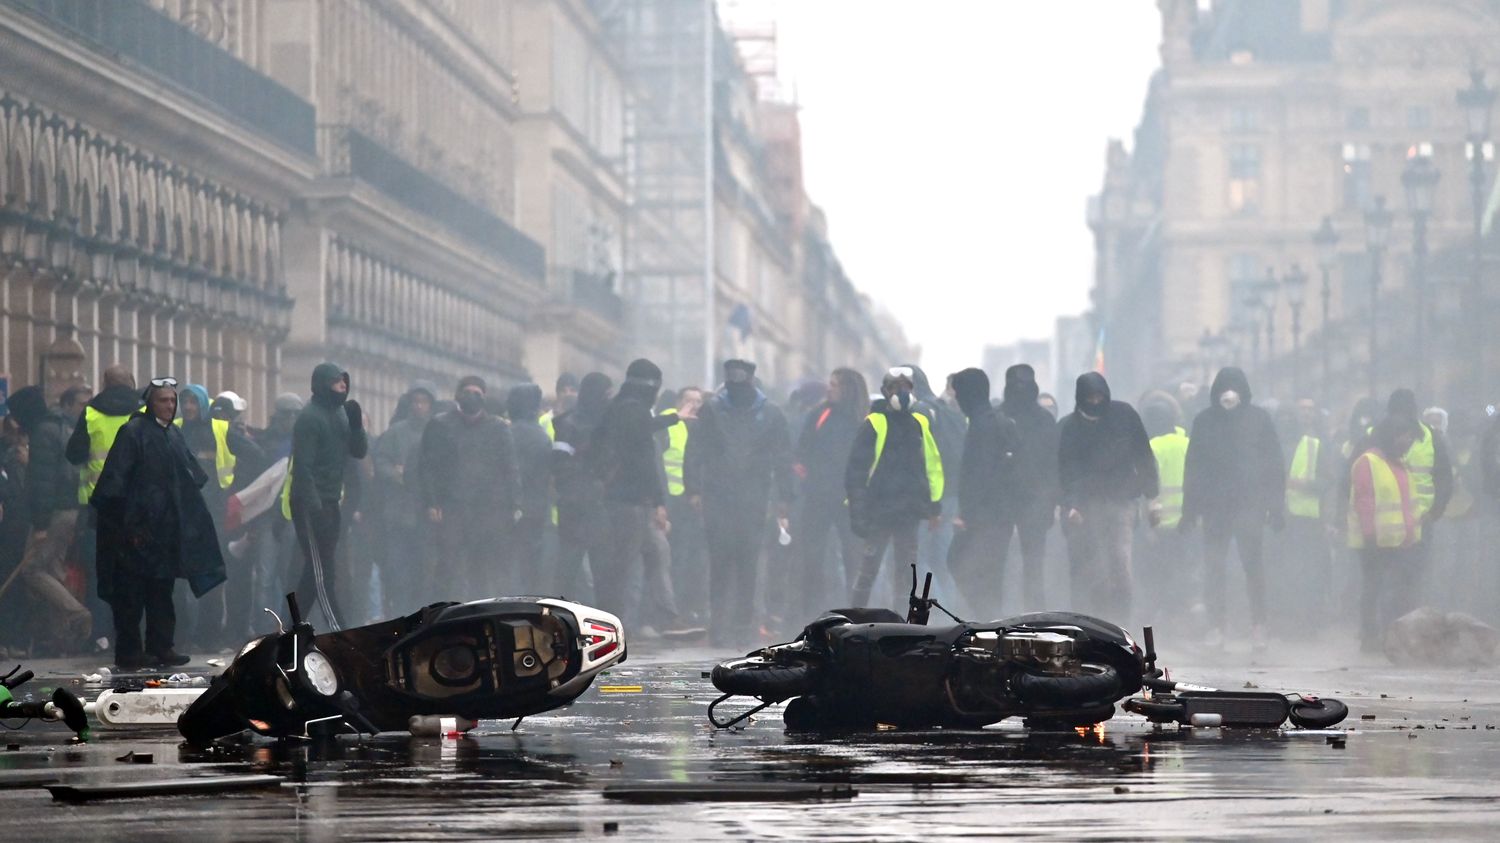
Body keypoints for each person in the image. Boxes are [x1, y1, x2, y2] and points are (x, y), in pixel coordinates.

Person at [91, 378, 225, 668]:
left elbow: (191, 476)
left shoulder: (173, 434)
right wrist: (130, 528)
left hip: (165, 531)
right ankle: (129, 651)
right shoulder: (133, 432)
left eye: (172, 400)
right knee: (130, 595)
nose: (169, 406)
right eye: (163, 400)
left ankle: (161, 646)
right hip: (136, 532)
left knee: (162, 592)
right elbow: (115, 484)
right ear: (150, 402)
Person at [685, 359, 794, 645]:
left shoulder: (770, 414)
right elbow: (694, 449)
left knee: (748, 564)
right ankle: (719, 625)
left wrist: (785, 498)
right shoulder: (712, 410)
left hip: (754, 499)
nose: (735, 380)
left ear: (751, 378)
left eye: (740, 375)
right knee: (719, 563)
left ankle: (743, 626)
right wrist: (693, 489)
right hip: (718, 497)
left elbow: (783, 458)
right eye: (730, 375)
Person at [1180, 367, 1284, 650]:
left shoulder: (1259, 419)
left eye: (1234, 387)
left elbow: (1274, 463)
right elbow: (1194, 467)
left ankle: (1259, 624)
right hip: (1215, 508)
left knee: (1253, 567)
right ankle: (1216, 626)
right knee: (1214, 568)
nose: (1229, 393)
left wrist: (1276, 505)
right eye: (1225, 387)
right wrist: (1189, 510)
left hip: (1249, 505)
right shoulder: (1204, 421)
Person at [591, 359, 684, 633]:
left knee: (655, 553)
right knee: (624, 566)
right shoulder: (635, 411)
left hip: (623, 501)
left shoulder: (616, 409)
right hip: (630, 502)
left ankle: (665, 616)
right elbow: (646, 463)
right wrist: (658, 502)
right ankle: (616, 625)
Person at [1058, 372, 1156, 623]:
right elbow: (1066, 471)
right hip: (1085, 507)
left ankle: (1121, 622)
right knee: (1094, 570)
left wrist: (1152, 495)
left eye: (1099, 396)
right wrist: (1072, 504)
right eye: (1089, 397)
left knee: (1120, 566)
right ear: (1080, 398)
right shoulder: (1069, 428)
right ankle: (1096, 623)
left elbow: (1143, 454)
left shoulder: (1124, 416)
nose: (1095, 401)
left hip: (1121, 502)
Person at [844, 367, 944, 610]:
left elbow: (933, 465)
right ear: (885, 392)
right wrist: (858, 510)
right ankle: (854, 620)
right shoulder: (874, 423)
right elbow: (856, 471)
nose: (902, 392)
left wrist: (934, 507)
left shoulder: (919, 422)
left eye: (907, 387)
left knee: (906, 575)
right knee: (868, 571)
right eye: (895, 387)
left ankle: (901, 624)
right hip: (878, 512)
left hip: (908, 512)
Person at [5, 386, 91, 652]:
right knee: (53, 570)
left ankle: (76, 613)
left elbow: (43, 482)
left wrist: (41, 525)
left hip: (54, 513)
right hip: (70, 510)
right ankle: (60, 635)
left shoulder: (42, 433)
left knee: (33, 570)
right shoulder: (58, 426)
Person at [419, 376, 520, 598]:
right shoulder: (440, 425)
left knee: (481, 567)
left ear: (484, 398)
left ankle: (477, 612)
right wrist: (431, 501)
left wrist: (513, 505)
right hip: (450, 507)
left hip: (486, 509)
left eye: (478, 393)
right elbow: (427, 467)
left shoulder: (498, 429)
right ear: (457, 395)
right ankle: (442, 613)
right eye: (467, 391)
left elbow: (509, 469)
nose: (472, 397)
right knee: (447, 565)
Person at [288, 363, 367, 629]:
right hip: (311, 505)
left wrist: (356, 426)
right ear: (322, 384)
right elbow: (303, 467)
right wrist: (314, 507)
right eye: (337, 381)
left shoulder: (342, 414)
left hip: (331, 501)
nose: (343, 385)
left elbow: (358, 452)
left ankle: (289, 631)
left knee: (315, 573)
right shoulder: (310, 417)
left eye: (345, 381)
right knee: (323, 573)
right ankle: (339, 631)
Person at [791, 368, 867, 620]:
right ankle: (812, 614)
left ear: (848, 388)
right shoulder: (819, 414)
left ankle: (858, 613)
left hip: (851, 501)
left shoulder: (863, 419)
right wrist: (805, 473)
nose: (829, 388)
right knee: (812, 557)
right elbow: (801, 450)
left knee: (854, 559)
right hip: (818, 498)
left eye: (835, 384)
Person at [1348, 415, 1423, 653]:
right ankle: (1370, 636)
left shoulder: (1400, 462)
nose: (1408, 440)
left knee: (1396, 591)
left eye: (1410, 436)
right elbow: (1364, 502)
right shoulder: (1367, 462)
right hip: (1374, 543)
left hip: (1399, 542)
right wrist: (1370, 537)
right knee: (1374, 589)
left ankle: (1393, 637)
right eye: (1404, 435)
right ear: (1391, 436)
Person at [947, 368, 1017, 616]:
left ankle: (989, 619)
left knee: (959, 560)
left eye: (958, 393)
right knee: (989, 572)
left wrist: (966, 514)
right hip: (998, 514)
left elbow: (981, 474)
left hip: (986, 516)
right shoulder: (988, 420)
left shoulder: (982, 426)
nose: (955, 398)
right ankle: (990, 619)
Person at [996, 364, 1061, 611]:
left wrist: (1051, 502)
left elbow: (1053, 465)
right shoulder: (998, 417)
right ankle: (997, 613)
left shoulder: (1044, 421)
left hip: (1035, 502)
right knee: (998, 563)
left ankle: (1034, 613)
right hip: (1003, 502)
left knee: (1033, 564)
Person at [370, 381, 436, 613]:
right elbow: (380, 461)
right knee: (398, 570)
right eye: (415, 401)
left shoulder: (437, 431)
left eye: (424, 401)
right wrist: (396, 475)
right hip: (398, 513)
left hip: (427, 514)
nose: (419, 406)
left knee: (425, 570)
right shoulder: (396, 432)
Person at [552, 372, 613, 601]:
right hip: (576, 507)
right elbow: (560, 464)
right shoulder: (568, 424)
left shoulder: (609, 424)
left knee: (604, 572)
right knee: (567, 568)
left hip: (601, 506)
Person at [1281, 398, 1338, 619]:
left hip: (1309, 520)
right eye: (1301, 409)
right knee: (1286, 571)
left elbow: (1329, 480)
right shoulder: (1274, 443)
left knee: (1310, 570)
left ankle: (1310, 616)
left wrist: (1328, 518)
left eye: (1310, 409)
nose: (1305, 414)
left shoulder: (1318, 443)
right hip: (1281, 519)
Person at [661, 386, 708, 619]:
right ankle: (673, 611)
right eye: (690, 400)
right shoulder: (669, 423)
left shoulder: (701, 426)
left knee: (691, 556)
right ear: (679, 401)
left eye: (699, 401)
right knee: (674, 556)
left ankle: (688, 607)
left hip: (691, 502)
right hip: (671, 500)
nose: (695, 406)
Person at [505, 383, 553, 594]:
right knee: (531, 559)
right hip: (536, 506)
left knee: (509, 558)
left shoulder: (505, 433)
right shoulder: (542, 436)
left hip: (506, 505)